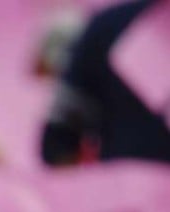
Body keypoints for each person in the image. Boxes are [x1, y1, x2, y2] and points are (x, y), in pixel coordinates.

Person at [41, 0, 170, 165]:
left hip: (125, 177)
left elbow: (56, 141)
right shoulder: (107, 27)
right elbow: (57, 139)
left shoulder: (105, 25)